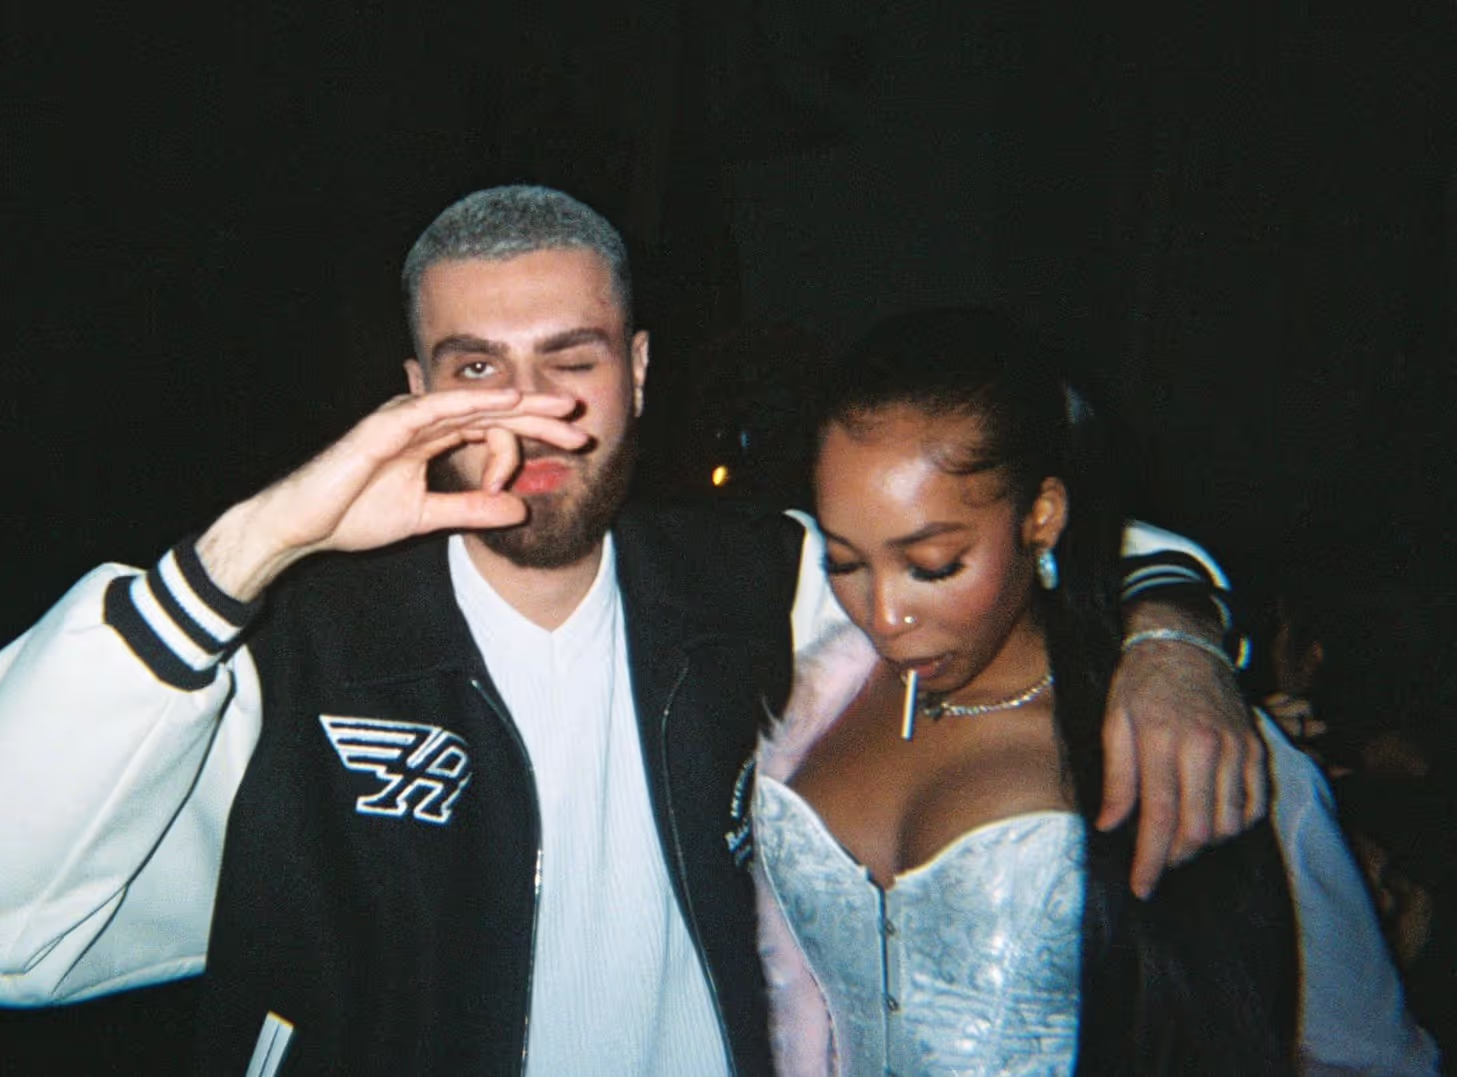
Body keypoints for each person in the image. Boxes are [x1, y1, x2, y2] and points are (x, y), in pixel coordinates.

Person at [0, 188, 1256, 1076]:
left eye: (573, 359)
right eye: (477, 367)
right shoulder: (287, 650)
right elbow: (16, 931)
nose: (536, 414)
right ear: (412, 392)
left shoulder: (755, 584)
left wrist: (1171, 634)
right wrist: (252, 548)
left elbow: (1004, 549)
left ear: (642, 372)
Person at [751, 307, 1437, 1076]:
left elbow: (1366, 1055)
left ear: (1040, 516)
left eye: (934, 564)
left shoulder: (1191, 739)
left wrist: (1173, 633)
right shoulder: (809, 680)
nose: (883, 615)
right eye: (846, 561)